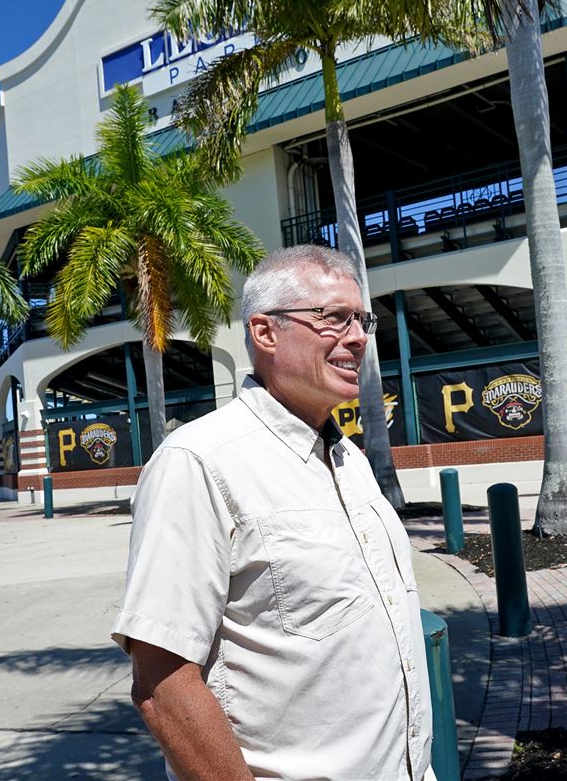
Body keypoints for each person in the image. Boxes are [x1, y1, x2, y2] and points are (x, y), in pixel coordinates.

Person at [111, 244, 435, 781]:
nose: (357, 337)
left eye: (362, 319)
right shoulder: (198, 462)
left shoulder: (349, 458)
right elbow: (162, 682)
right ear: (265, 333)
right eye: (333, 318)